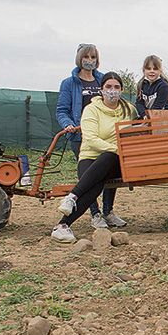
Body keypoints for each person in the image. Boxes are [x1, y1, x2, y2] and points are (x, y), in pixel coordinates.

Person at [52, 73, 138, 242]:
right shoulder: (91, 109)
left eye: (116, 87)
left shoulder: (129, 109)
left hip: (116, 160)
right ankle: (62, 225)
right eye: (108, 87)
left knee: (108, 157)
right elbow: (91, 140)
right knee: (95, 185)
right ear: (101, 89)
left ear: (121, 90)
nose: (112, 91)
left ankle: (72, 199)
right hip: (90, 156)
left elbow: (140, 124)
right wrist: (116, 148)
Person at [56, 43, 110, 228]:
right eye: (86, 57)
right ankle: (95, 214)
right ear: (80, 58)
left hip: (105, 135)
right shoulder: (69, 83)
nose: (89, 61)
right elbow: (62, 110)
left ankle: (108, 211)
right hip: (81, 136)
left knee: (108, 172)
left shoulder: (102, 80)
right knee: (89, 176)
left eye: (93, 57)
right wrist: (68, 124)